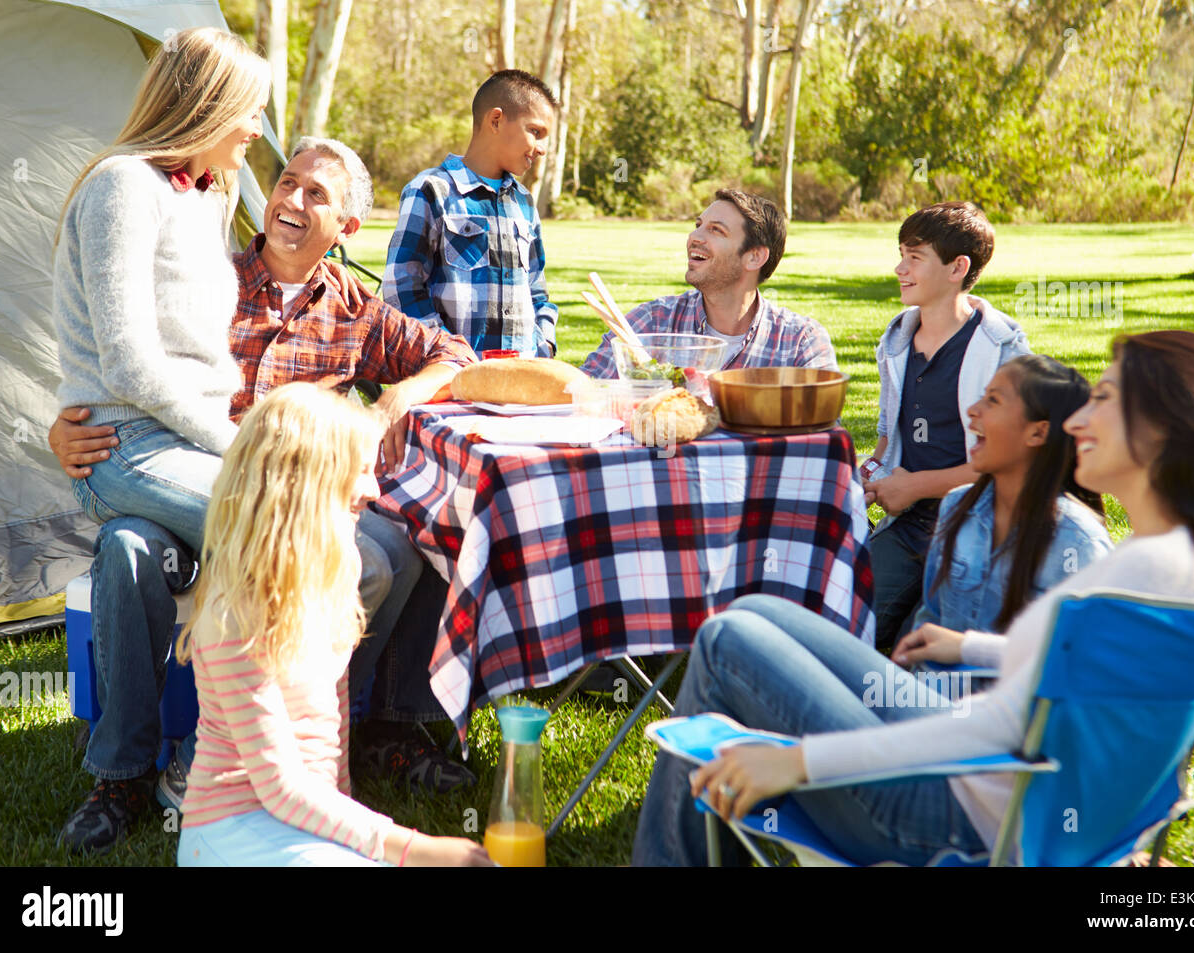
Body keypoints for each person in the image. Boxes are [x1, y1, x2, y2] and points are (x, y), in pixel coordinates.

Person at [633, 330, 1194, 866]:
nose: (1076, 420)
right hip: (989, 778)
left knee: (726, 640)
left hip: (955, 821)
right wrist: (969, 645)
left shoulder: (1131, 574)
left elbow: (998, 727)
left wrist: (798, 762)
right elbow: (1077, 674)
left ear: (1162, 430)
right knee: (755, 613)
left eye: (1102, 399)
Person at [51, 136, 478, 855]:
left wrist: (388, 405)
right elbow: (121, 362)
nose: (292, 201)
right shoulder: (208, 282)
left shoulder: (355, 308)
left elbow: (453, 356)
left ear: (347, 230)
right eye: (288, 184)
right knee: (126, 549)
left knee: (396, 550)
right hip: (195, 494)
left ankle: (340, 729)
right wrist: (63, 430)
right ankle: (123, 771)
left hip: (296, 523)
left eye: (318, 195)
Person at [175, 383, 492, 867]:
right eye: (360, 472)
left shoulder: (330, 583)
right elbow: (280, 786)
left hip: (303, 820)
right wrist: (414, 850)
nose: (374, 489)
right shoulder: (232, 615)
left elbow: (329, 744)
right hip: (231, 830)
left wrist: (352, 833)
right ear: (303, 486)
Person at [862, 201, 1030, 649]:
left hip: (977, 530)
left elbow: (1009, 463)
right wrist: (872, 471)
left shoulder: (1003, 348)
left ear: (958, 267)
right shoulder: (896, 339)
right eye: (901, 254)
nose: (900, 268)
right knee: (850, 625)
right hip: (909, 523)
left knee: (915, 652)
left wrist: (915, 486)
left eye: (914, 257)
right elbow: (887, 432)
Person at [894, 354, 1111, 668]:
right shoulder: (957, 506)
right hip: (930, 698)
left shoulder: (1077, 542)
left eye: (993, 401)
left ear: (1038, 433)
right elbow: (932, 618)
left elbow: (1086, 661)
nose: (973, 409)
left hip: (1007, 712)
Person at [382, 69, 559, 357]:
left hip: (521, 381)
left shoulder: (524, 203)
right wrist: (448, 353)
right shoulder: (431, 191)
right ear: (496, 120)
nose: (541, 149)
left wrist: (544, 345)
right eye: (535, 132)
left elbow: (537, 292)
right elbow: (401, 288)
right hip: (450, 380)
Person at [579, 189, 838, 377]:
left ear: (755, 256)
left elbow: (822, 440)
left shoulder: (799, 343)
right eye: (698, 225)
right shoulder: (651, 323)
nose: (694, 237)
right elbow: (580, 391)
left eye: (716, 230)